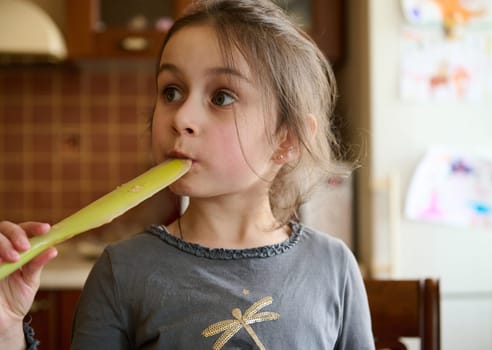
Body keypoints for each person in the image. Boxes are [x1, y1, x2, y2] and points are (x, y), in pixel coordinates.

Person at [0, 0, 374, 348]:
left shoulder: (334, 267)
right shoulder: (122, 271)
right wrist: (7, 329)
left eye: (221, 97)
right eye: (172, 92)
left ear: (287, 140)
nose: (181, 118)